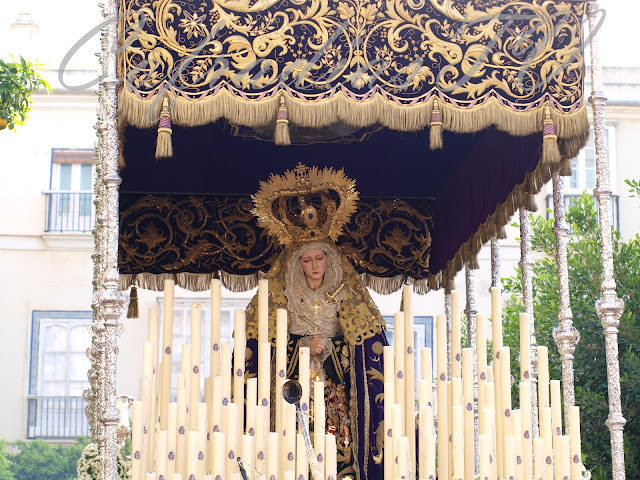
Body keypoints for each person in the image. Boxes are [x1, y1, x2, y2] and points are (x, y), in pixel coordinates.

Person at [244, 238, 388, 480]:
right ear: (298, 263)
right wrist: (303, 346)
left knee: (334, 440)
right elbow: (271, 345)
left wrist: (329, 347)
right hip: (295, 387)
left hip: (332, 387)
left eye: (319, 258)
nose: (314, 265)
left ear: (328, 260)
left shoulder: (344, 292)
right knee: (294, 444)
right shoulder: (285, 294)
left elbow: (358, 346)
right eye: (307, 260)